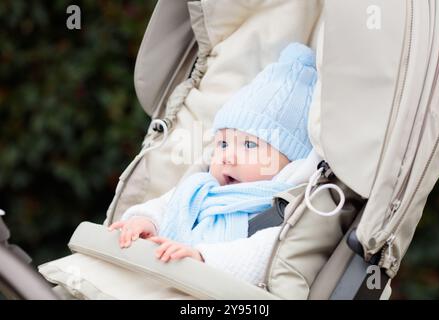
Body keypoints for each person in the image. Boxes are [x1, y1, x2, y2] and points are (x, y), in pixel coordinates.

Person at [109, 42, 317, 285]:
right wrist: (147, 222)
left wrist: (203, 257)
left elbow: (262, 255)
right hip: (158, 278)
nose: (228, 157)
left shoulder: (283, 213)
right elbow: (166, 206)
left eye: (249, 146)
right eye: (224, 144)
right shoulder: (200, 189)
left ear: (291, 163)